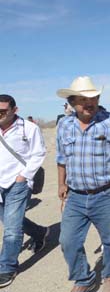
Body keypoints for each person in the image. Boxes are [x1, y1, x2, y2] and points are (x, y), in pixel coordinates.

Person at [56, 76, 110, 292]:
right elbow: (61, 158)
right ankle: (84, 278)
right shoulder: (64, 125)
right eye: (83, 99)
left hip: (106, 193)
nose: (89, 103)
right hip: (75, 195)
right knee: (68, 241)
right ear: (72, 102)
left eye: (93, 98)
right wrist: (61, 184)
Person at [0, 94, 49, 288]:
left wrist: (24, 176)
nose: (0, 114)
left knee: (11, 229)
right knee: (12, 219)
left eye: (3, 111)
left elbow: (39, 153)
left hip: (18, 183)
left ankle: (6, 268)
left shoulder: (29, 128)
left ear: (14, 110)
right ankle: (40, 233)